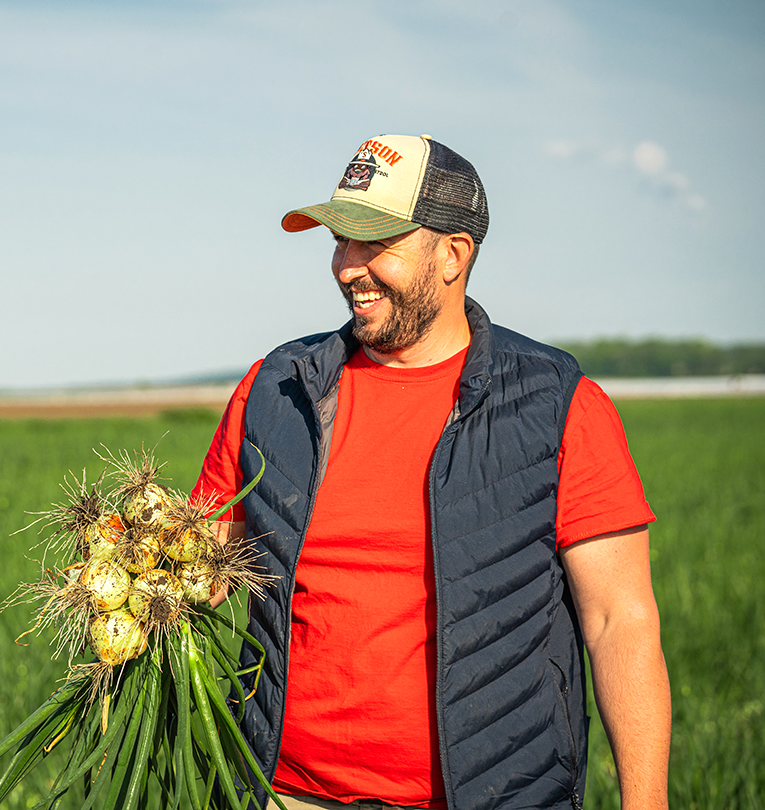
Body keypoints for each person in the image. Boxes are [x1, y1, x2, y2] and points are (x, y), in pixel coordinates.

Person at [191, 134, 671, 810]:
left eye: (374, 244)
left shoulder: (556, 404)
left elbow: (619, 622)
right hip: (281, 792)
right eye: (339, 242)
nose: (347, 268)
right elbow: (209, 562)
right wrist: (128, 581)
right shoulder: (277, 389)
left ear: (453, 254)